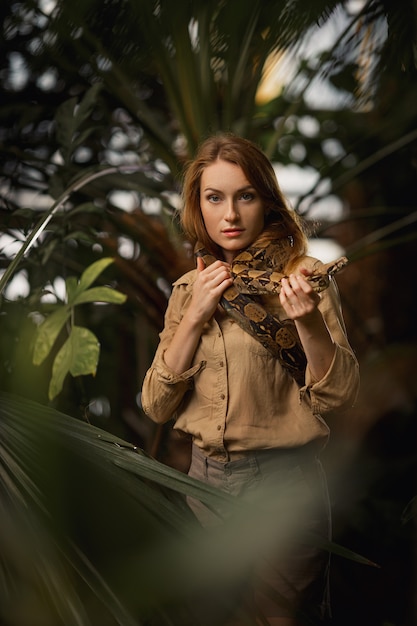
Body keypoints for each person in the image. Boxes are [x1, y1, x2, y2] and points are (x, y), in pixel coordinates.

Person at [141, 133, 360, 625]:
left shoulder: (305, 278)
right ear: (199, 206)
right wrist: (196, 314)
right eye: (214, 197)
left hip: (284, 485)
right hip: (205, 481)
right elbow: (155, 405)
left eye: (246, 195)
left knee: (276, 618)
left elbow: (341, 397)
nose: (231, 215)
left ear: (267, 200)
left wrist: (305, 320)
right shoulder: (188, 289)